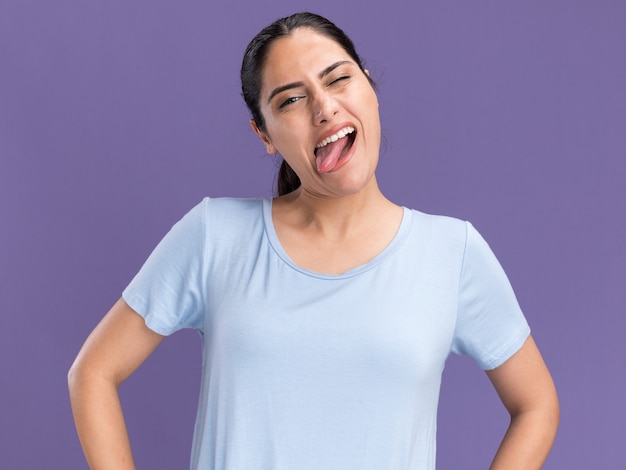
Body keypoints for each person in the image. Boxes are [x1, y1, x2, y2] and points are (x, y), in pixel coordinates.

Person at [68, 12, 559, 470]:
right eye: (291, 99)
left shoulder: (453, 253)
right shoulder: (215, 235)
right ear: (264, 134)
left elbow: (536, 404)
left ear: (368, 83)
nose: (324, 107)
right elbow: (92, 374)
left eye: (338, 78)